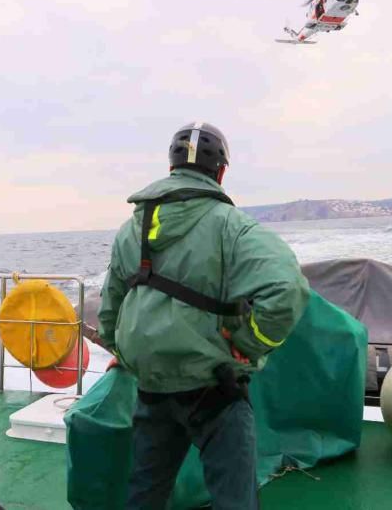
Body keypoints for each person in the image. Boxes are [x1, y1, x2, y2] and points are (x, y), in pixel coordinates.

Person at [98, 121, 310, 510]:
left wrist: (122, 350)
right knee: (234, 498)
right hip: (214, 385)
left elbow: (111, 304)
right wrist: (250, 343)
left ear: (171, 169)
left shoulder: (131, 229)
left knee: (145, 491)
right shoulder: (233, 227)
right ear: (222, 172)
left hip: (152, 383)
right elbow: (288, 289)